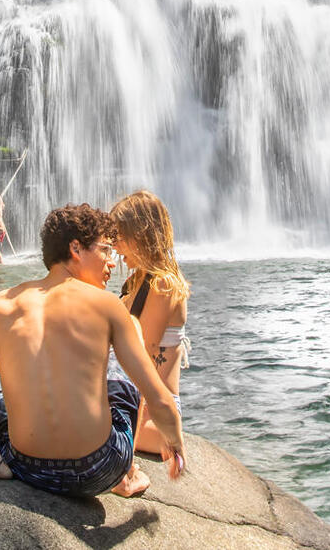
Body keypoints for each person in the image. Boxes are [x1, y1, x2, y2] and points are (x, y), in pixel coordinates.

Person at [0, 204, 187, 499]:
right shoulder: (107, 305)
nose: (112, 262)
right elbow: (156, 396)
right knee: (132, 329)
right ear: (76, 248)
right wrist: (176, 443)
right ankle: (127, 475)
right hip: (100, 467)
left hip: (25, 467)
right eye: (105, 249)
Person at [110, 190, 190, 459]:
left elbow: (143, 360)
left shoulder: (163, 284)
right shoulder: (134, 283)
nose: (115, 246)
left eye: (119, 237)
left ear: (140, 235)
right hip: (131, 399)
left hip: (155, 412)